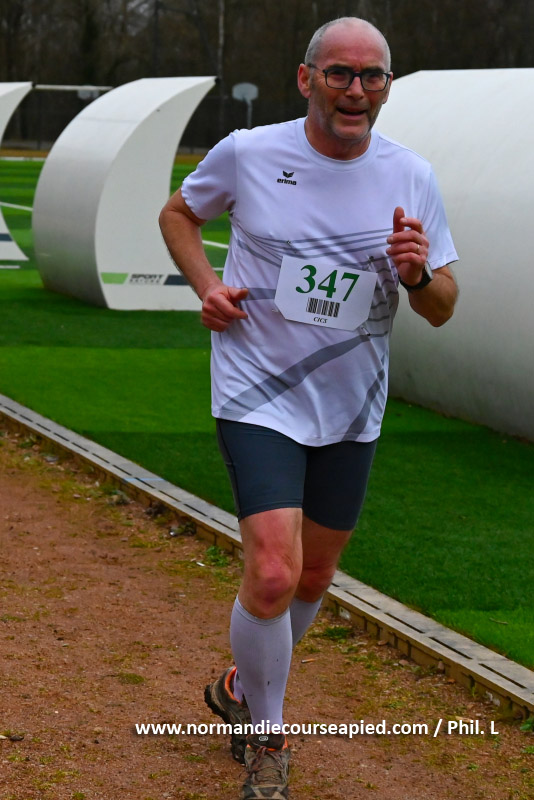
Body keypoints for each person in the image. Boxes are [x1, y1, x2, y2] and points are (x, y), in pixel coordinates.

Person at [159, 15, 458, 800]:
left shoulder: (411, 174)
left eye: (371, 76)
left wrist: (419, 274)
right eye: (339, 73)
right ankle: (268, 739)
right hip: (256, 389)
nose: (355, 90)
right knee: (272, 571)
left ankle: (240, 686)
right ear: (306, 79)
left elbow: (443, 307)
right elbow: (178, 214)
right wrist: (207, 286)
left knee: (314, 572)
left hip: (351, 402)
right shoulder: (249, 152)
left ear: (386, 87)